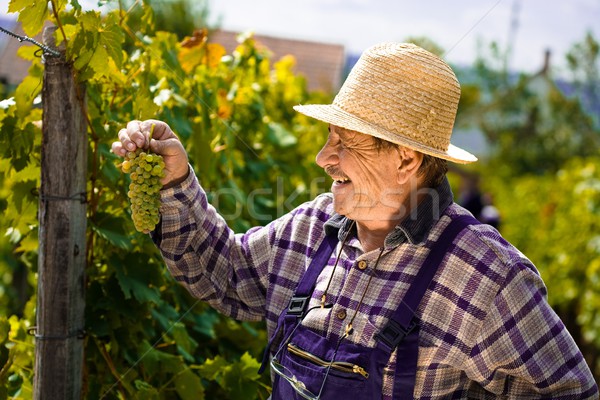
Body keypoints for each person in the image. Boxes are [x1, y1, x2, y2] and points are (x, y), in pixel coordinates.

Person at [112, 43, 598, 399]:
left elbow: (569, 393)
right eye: (329, 137)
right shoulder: (312, 228)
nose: (324, 157)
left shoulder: (487, 277)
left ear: (406, 158)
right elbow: (228, 273)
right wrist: (177, 185)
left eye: (345, 142)